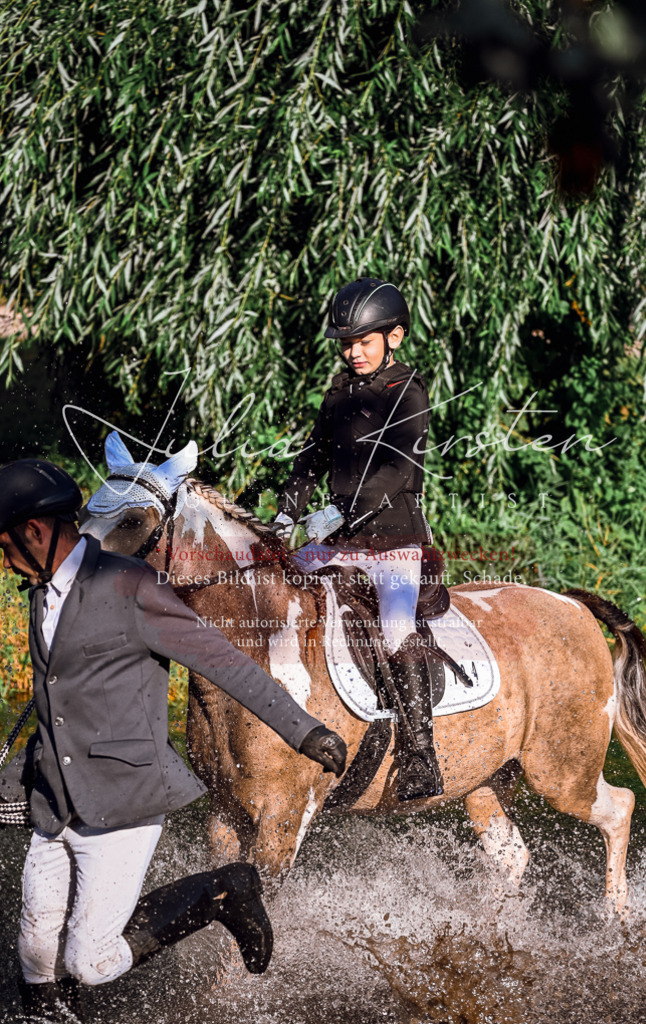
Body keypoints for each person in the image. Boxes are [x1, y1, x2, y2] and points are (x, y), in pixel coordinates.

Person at [0, 458, 346, 1023]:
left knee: (90, 962)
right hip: (56, 801)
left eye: (6, 546)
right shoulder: (39, 592)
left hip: (122, 798)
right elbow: (55, 705)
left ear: (35, 532)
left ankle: (222, 890)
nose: (5, 560)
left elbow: (224, 661)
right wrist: (16, 778)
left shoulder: (133, 585)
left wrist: (304, 730)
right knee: (35, 954)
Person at [273, 277, 442, 803]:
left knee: (394, 627)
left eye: (364, 341)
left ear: (394, 337)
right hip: (342, 538)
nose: (354, 352)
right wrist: (285, 513)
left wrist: (334, 514)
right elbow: (310, 459)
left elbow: (396, 472)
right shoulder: (339, 391)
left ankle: (421, 756)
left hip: (394, 542)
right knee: (273, 584)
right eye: (347, 343)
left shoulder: (408, 391)